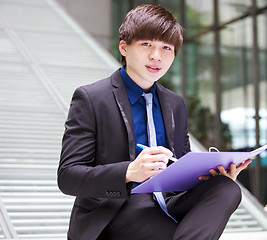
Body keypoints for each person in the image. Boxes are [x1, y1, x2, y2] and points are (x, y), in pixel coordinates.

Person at [57, 4, 252, 240]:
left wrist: (213, 174)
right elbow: (68, 176)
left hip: (168, 201)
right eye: (146, 44)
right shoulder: (92, 98)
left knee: (227, 188)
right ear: (124, 47)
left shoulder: (175, 104)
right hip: (118, 207)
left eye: (166, 48)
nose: (156, 56)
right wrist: (129, 172)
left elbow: (181, 167)